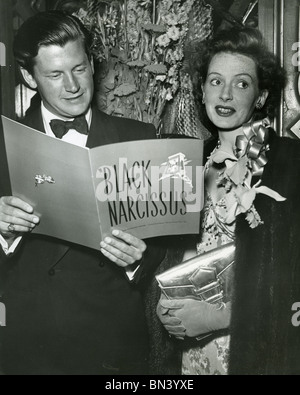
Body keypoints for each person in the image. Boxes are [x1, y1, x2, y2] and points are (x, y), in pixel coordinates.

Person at [0, 11, 165, 375]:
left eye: (78, 68)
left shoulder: (138, 136)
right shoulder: (3, 144)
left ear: (92, 63)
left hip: (110, 348)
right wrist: (2, 231)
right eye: (55, 75)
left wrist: (139, 258)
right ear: (30, 77)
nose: (72, 85)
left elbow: (161, 245)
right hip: (30, 349)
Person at [157, 26, 300, 375]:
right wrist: (162, 305)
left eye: (242, 83)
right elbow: (170, 257)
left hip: (254, 351)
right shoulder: (185, 162)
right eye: (216, 81)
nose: (225, 95)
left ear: (261, 97)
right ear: (202, 89)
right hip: (187, 356)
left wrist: (219, 317)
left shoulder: (289, 161)